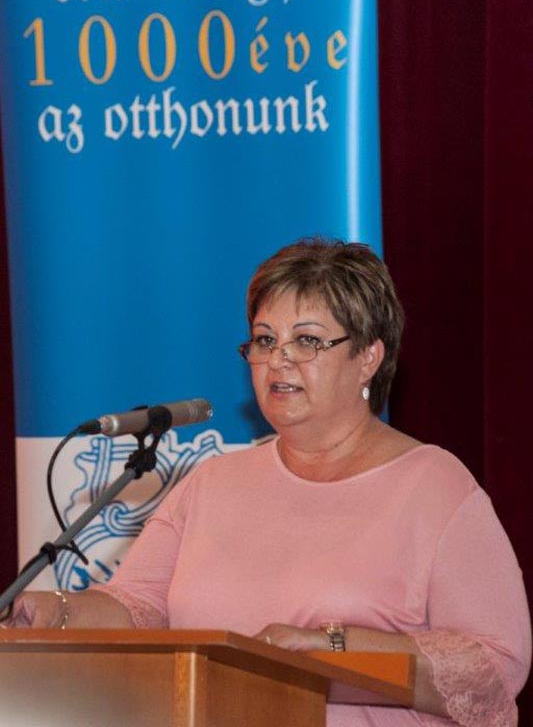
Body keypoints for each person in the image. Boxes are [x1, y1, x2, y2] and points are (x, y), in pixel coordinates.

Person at [4, 238, 531, 727]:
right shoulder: (212, 483)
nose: (278, 359)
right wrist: (59, 611)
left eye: (307, 340)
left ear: (368, 357)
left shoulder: (434, 487)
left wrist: (335, 645)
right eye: (265, 340)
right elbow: (139, 608)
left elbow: (496, 664)